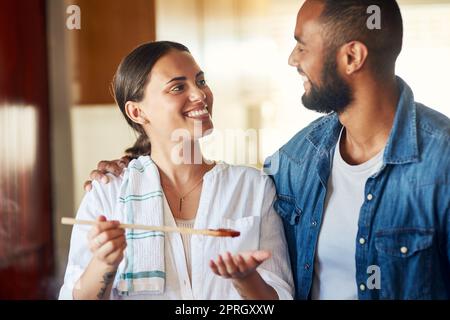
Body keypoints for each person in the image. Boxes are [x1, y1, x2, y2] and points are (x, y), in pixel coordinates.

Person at [85, 0, 450, 300]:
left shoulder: (442, 162)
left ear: (352, 57)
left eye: (302, 45)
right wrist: (133, 168)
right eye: (177, 87)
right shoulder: (296, 161)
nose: (292, 59)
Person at [59, 41, 293, 300]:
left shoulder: (253, 186)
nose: (200, 94)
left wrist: (246, 279)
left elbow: (280, 296)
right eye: (178, 87)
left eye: (201, 81)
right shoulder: (109, 193)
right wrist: (104, 263)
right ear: (137, 111)